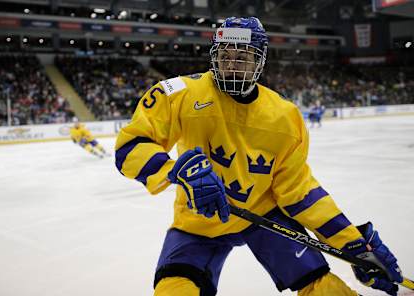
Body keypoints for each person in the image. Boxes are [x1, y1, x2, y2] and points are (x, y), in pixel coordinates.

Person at [115, 17, 403, 296]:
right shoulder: (178, 93)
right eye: (226, 55)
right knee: (174, 288)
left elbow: (300, 192)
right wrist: (174, 169)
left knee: (319, 284)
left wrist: (353, 243)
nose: (232, 64)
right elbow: (130, 145)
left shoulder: (284, 116)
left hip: (263, 216)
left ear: (260, 61)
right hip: (198, 221)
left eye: (243, 57)